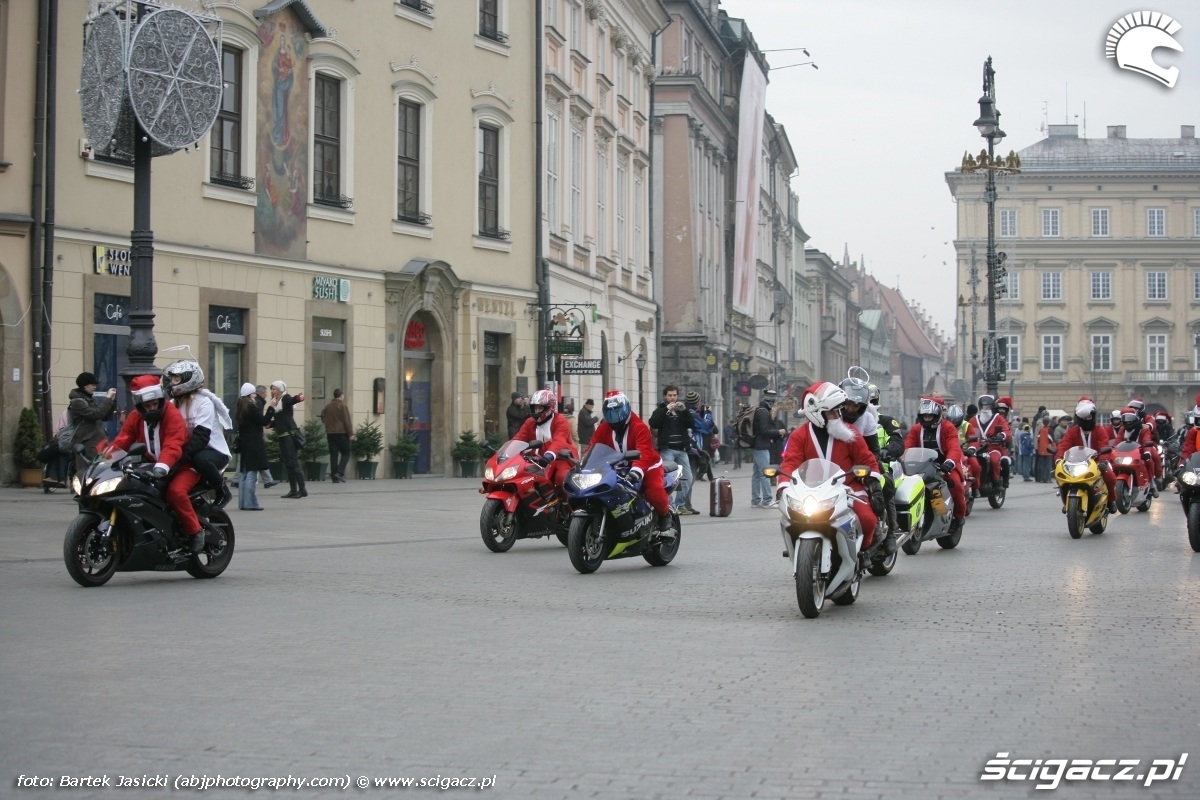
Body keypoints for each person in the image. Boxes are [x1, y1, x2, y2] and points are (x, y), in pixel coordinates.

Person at [776, 381, 885, 550]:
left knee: (868, 520)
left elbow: (867, 460)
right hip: (810, 491)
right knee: (791, 521)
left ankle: (863, 553)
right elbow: (790, 462)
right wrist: (783, 486)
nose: (837, 415)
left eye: (837, 411)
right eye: (832, 412)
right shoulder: (799, 436)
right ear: (817, 412)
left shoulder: (850, 433)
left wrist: (874, 484)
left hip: (848, 488)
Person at [105, 375, 204, 549]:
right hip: (154, 465)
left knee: (175, 493)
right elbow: (123, 439)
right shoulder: (135, 417)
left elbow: (173, 444)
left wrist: (162, 466)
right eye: (147, 405)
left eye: (155, 404)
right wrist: (105, 458)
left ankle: (195, 531)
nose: (152, 408)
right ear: (140, 405)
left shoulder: (172, 415)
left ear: (160, 400)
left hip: (183, 465)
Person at [590, 390, 674, 534]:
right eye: (610, 414)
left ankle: (665, 514)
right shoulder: (603, 428)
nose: (615, 417)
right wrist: (585, 465)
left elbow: (644, 452)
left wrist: (637, 470)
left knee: (653, 490)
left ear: (627, 409)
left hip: (648, 465)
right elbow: (593, 447)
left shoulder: (639, 426)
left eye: (618, 412)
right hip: (617, 466)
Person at [165, 359, 233, 509]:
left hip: (213, 451)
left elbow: (201, 438)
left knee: (200, 459)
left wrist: (178, 459)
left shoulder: (204, 403)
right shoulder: (172, 404)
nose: (171, 383)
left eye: (176, 379)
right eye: (171, 379)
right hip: (190, 450)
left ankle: (222, 491)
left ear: (189, 379)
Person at [903, 394, 968, 540]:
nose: (927, 419)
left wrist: (950, 462)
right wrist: (902, 459)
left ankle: (959, 517)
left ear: (937, 415)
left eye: (930, 416)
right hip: (922, 466)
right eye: (924, 416)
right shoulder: (916, 429)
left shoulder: (948, 427)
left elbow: (954, 447)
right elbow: (907, 447)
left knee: (955, 484)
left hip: (945, 465)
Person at [1054, 397, 1117, 512]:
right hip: (1076, 463)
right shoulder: (1073, 431)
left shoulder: (1100, 430)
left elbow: (1104, 445)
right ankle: (1067, 502)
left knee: (1110, 477)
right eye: (1083, 417)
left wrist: (1103, 460)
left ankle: (1111, 500)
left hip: (1097, 462)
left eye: (1088, 417)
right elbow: (1064, 445)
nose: (1086, 420)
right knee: (1061, 477)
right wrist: (1058, 458)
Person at [512, 389, 578, 495]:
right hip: (536, 460)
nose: (536, 410)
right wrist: (504, 454)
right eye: (535, 407)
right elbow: (518, 438)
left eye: (540, 408)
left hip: (560, 458)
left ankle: (566, 501)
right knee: (520, 478)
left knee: (561, 477)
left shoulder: (560, 421)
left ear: (549, 407)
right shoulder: (530, 422)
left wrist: (548, 456)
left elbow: (559, 441)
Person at [648, 385, 697, 515]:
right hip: (667, 449)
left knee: (687, 477)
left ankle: (680, 505)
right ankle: (670, 505)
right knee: (667, 479)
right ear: (665, 396)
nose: (672, 398)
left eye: (674, 395)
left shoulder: (681, 410)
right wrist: (665, 410)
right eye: (670, 395)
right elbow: (653, 423)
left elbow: (691, 424)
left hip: (682, 449)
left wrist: (685, 411)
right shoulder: (661, 409)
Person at [67, 371, 118, 471]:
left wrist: (112, 402)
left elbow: (104, 416)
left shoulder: (90, 399)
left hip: (99, 441)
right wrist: (107, 398)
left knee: (103, 469)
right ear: (85, 386)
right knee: (89, 471)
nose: (95, 387)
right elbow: (96, 414)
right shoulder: (77, 402)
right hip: (87, 443)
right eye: (92, 385)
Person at [265, 380, 306, 498]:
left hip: (289, 436)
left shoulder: (285, 399)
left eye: (274, 389)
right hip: (282, 436)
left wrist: (299, 398)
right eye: (272, 389)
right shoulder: (276, 403)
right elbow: (280, 420)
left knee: (293, 463)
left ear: (280, 389)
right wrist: (271, 424)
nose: (272, 391)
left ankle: (302, 490)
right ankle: (293, 490)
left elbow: (293, 400)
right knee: (288, 464)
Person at [966, 394, 1012, 491]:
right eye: (983, 406)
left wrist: (1001, 435)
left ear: (992, 407)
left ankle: (996, 481)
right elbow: (969, 432)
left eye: (987, 406)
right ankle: (972, 483)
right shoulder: (973, 420)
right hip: (977, 447)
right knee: (970, 462)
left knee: (994, 460)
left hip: (993, 447)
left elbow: (1006, 431)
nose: (985, 409)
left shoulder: (998, 418)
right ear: (980, 407)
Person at [234, 383, 269, 511]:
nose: (255, 396)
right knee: (251, 474)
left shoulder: (241, 407)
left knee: (244, 473)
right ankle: (250, 503)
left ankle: (243, 503)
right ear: (250, 395)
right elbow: (263, 421)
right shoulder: (251, 407)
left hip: (245, 443)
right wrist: (271, 408)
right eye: (254, 393)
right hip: (253, 443)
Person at [750, 389, 787, 508]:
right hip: (762, 446)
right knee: (765, 473)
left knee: (757, 474)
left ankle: (755, 500)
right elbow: (764, 431)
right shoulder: (763, 412)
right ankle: (767, 500)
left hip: (757, 445)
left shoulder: (759, 410)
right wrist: (779, 432)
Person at [1113, 405, 1158, 497]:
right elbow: (1117, 442)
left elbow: (1146, 440)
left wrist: (1147, 452)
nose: (1127, 422)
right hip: (1125, 454)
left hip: (1140, 453)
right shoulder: (1122, 429)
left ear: (1135, 418)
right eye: (1125, 419)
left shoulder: (1144, 428)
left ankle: (1152, 484)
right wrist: (1113, 450)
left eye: (1129, 418)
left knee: (1149, 462)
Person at [320, 388, 353, 483]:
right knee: (346, 453)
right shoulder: (342, 405)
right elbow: (347, 420)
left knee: (333, 454)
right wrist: (350, 433)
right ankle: (339, 473)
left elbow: (323, 417)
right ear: (341, 396)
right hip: (341, 433)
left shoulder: (328, 405)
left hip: (330, 433)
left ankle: (334, 477)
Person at [685, 390, 715, 482]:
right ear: (697, 402)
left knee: (685, 479)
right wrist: (707, 413)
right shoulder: (692, 414)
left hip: (684, 447)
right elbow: (707, 427)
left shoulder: (684, 411)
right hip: (692, 449)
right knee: (690, 479)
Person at [1035, 417, 1055, 483]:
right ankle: (1048, 478)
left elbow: (1038, 439)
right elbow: (1051, 440)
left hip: (1041, 449)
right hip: (1048, 449)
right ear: (1049, 423)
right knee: (1048, 465)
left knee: (1042, 465)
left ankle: (1042, 478)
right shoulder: (1050, 430)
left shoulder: (1041, 430)